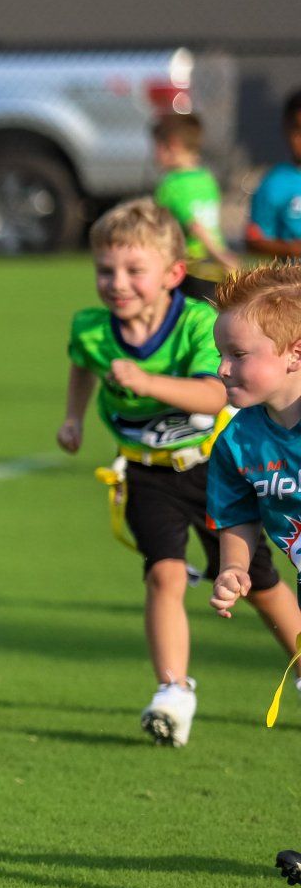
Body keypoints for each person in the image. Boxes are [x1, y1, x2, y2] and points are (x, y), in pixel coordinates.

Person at [57, 200, 299, 746]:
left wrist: (147, 383)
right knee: (163, 574)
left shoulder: (196, 323)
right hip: (146, 475)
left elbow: (213, 395)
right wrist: (73, 417)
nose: (117, 283)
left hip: (208, 468)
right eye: (105, 270)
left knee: (260, 584)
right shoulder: (93, 329)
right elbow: (81, 360)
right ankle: (173, 691)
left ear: (172, 274)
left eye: (133, 270)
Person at [205, 263, 301, 883]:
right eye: (221, 355)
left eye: (239, 355)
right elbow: (238, 521)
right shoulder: (238, 443)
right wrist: (235, 570)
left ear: (295, 354)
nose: (222, 369)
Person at [152, 112, 238, 303]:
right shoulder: (206, 178)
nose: (154, 155)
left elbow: (195, 226)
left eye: (156, 147)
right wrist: (222, 257)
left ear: (172, 145)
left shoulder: (172, 185)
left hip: (191, 270)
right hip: (216, 269)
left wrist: (221, 256)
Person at [246, 90, 301, 261]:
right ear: (286, 129)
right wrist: (292, 249)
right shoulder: (273, 184)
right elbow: (254, 241)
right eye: (298, 130)